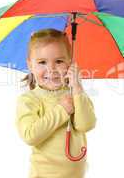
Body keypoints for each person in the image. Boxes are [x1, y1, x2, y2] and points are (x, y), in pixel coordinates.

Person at [15, 29, 96, 178]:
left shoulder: (75, 94)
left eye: (59, 61)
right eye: (42, 62)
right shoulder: (29, 100)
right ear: (30, 65)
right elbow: (30, 135)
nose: (51, 69)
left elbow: (86, 125)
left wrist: (78, 88)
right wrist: (61, 110)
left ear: (70, 63)